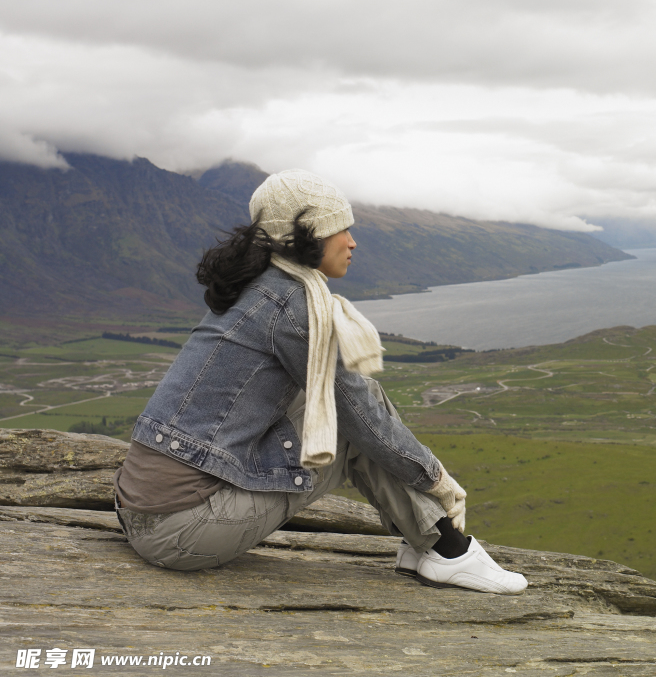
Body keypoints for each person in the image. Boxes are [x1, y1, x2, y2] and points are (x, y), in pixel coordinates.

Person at [113, 169, 527, 594]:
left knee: (348, 408)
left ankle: (426, 545)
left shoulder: (256, 286)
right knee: (347, 430)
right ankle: (450, 551)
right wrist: (437, 480)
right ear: (303, 238)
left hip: (143, 511)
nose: (352, 241)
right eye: (339, 229)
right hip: (181, 529)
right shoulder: (292, 305)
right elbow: (360, 418)